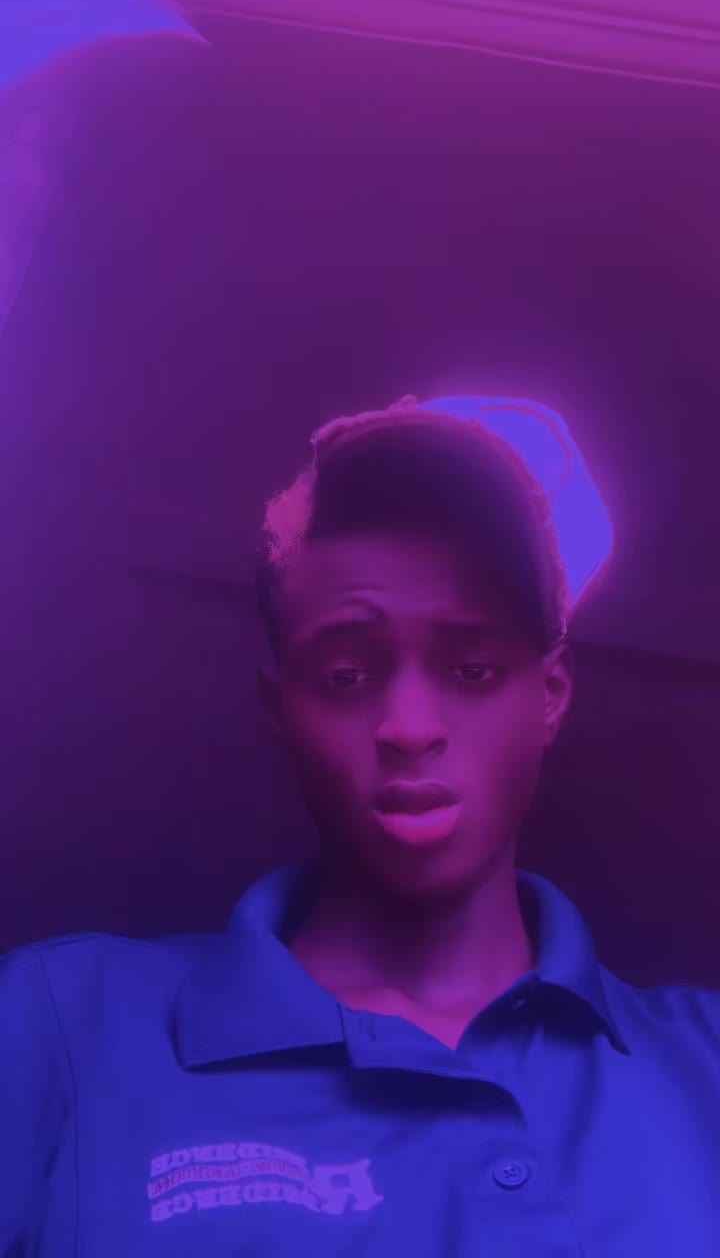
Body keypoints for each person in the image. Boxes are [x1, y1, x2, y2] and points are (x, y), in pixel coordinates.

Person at [1, 393, 718, 1256]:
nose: (409, 726)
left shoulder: (705, 1062)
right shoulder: (59, 1028)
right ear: (279, 707)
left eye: (473, 668)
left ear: (551, 696)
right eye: (346, 675)